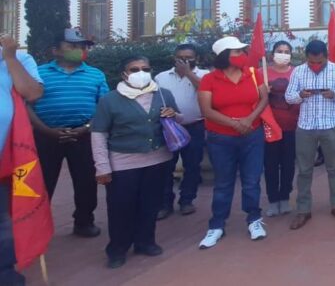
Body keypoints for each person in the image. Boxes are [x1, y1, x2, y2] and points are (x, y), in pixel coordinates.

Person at [91, 56, 179, 268]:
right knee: (121, 207)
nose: (141, 72)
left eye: (145, 68)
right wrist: (101, 166)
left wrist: (174, 114)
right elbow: (99, 133)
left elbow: (179, 119)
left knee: (150, 204)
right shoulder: (110, 100)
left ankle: (145, 242)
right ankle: (117, 249)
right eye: (134, 69)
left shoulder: (163, 94)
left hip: (158, 160)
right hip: (123, 163)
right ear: (124, 74)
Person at [29, 28, 107, 238]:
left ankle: (84, 222)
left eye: (83, 47)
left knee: (86, 182)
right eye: (72, 46)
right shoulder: (38, 74)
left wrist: (87, 128)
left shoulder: (96, 74)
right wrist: (47, 131)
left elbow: (103, 107)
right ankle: (36, 227)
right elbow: (26, 105)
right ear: (55, 50)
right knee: (42, 183)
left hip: (83, 135)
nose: (79, 50)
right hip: (46, 135)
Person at [197, 36, 269, 249]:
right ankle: (217, 224)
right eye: (236, 52)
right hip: (221, 139)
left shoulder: (254, 74)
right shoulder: (209, 79)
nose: (242, 55)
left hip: (252, 136)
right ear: (224, 56)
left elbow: (264, 98)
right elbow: (206, 110)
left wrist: (248, 119)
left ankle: (254, 219)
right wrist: (232, 123)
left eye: (242, 51)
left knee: (252, 180)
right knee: (223, 183)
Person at [285, 40, 335, 229]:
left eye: (319, 62)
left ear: (326, 57)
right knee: (305, 170)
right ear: (306, 57)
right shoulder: (298, 71)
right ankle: (303, 210)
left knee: (334, 168)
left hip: (330, 125)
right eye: (312, 62)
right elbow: (288, 97)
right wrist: (301, 95)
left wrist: (334, 95)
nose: (316, 65)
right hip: (305, 127)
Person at [0, 33, 43, 286]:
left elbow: (33, 93)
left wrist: (9, 58)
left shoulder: (20, 58)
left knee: (4, 219)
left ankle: (4, 272)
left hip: (9, 157)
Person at [154, 43, 209, 219]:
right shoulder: (162, 77)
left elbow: (206, 91)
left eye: (189, 58)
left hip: (195, 126)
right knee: (166, 166)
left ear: (197, 59)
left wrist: (188, 74)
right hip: (169, 127)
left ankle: (186, 200)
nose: (184, 61)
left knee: (192, 165)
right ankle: (164, 202)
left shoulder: (205, 75)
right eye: (181, 58)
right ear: (174, 59)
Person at [264, 41, 300, 217]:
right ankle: (272, 200)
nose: (283, 54)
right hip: (269, 127)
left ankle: (285, 198)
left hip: (292, 127)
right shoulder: (262, 73)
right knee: (270, 165)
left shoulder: (297, 73)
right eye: (280, 51)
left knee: (288, 164)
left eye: (286, 51)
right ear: (272, 54)